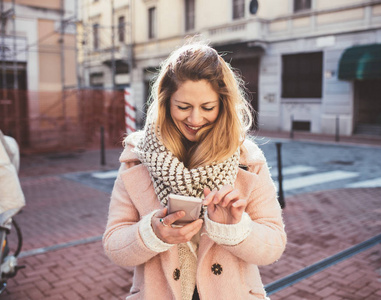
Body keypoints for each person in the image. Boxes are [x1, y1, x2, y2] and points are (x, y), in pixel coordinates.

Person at [103, 42, 286, 300]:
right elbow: (114, 245)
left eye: (207, 108)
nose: (195, 119)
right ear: (166, 103)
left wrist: (235, 228)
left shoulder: (248, 160)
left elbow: (274, 245)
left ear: (223, 105)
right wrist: (153, 233)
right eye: (183, 107)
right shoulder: (138, 158)